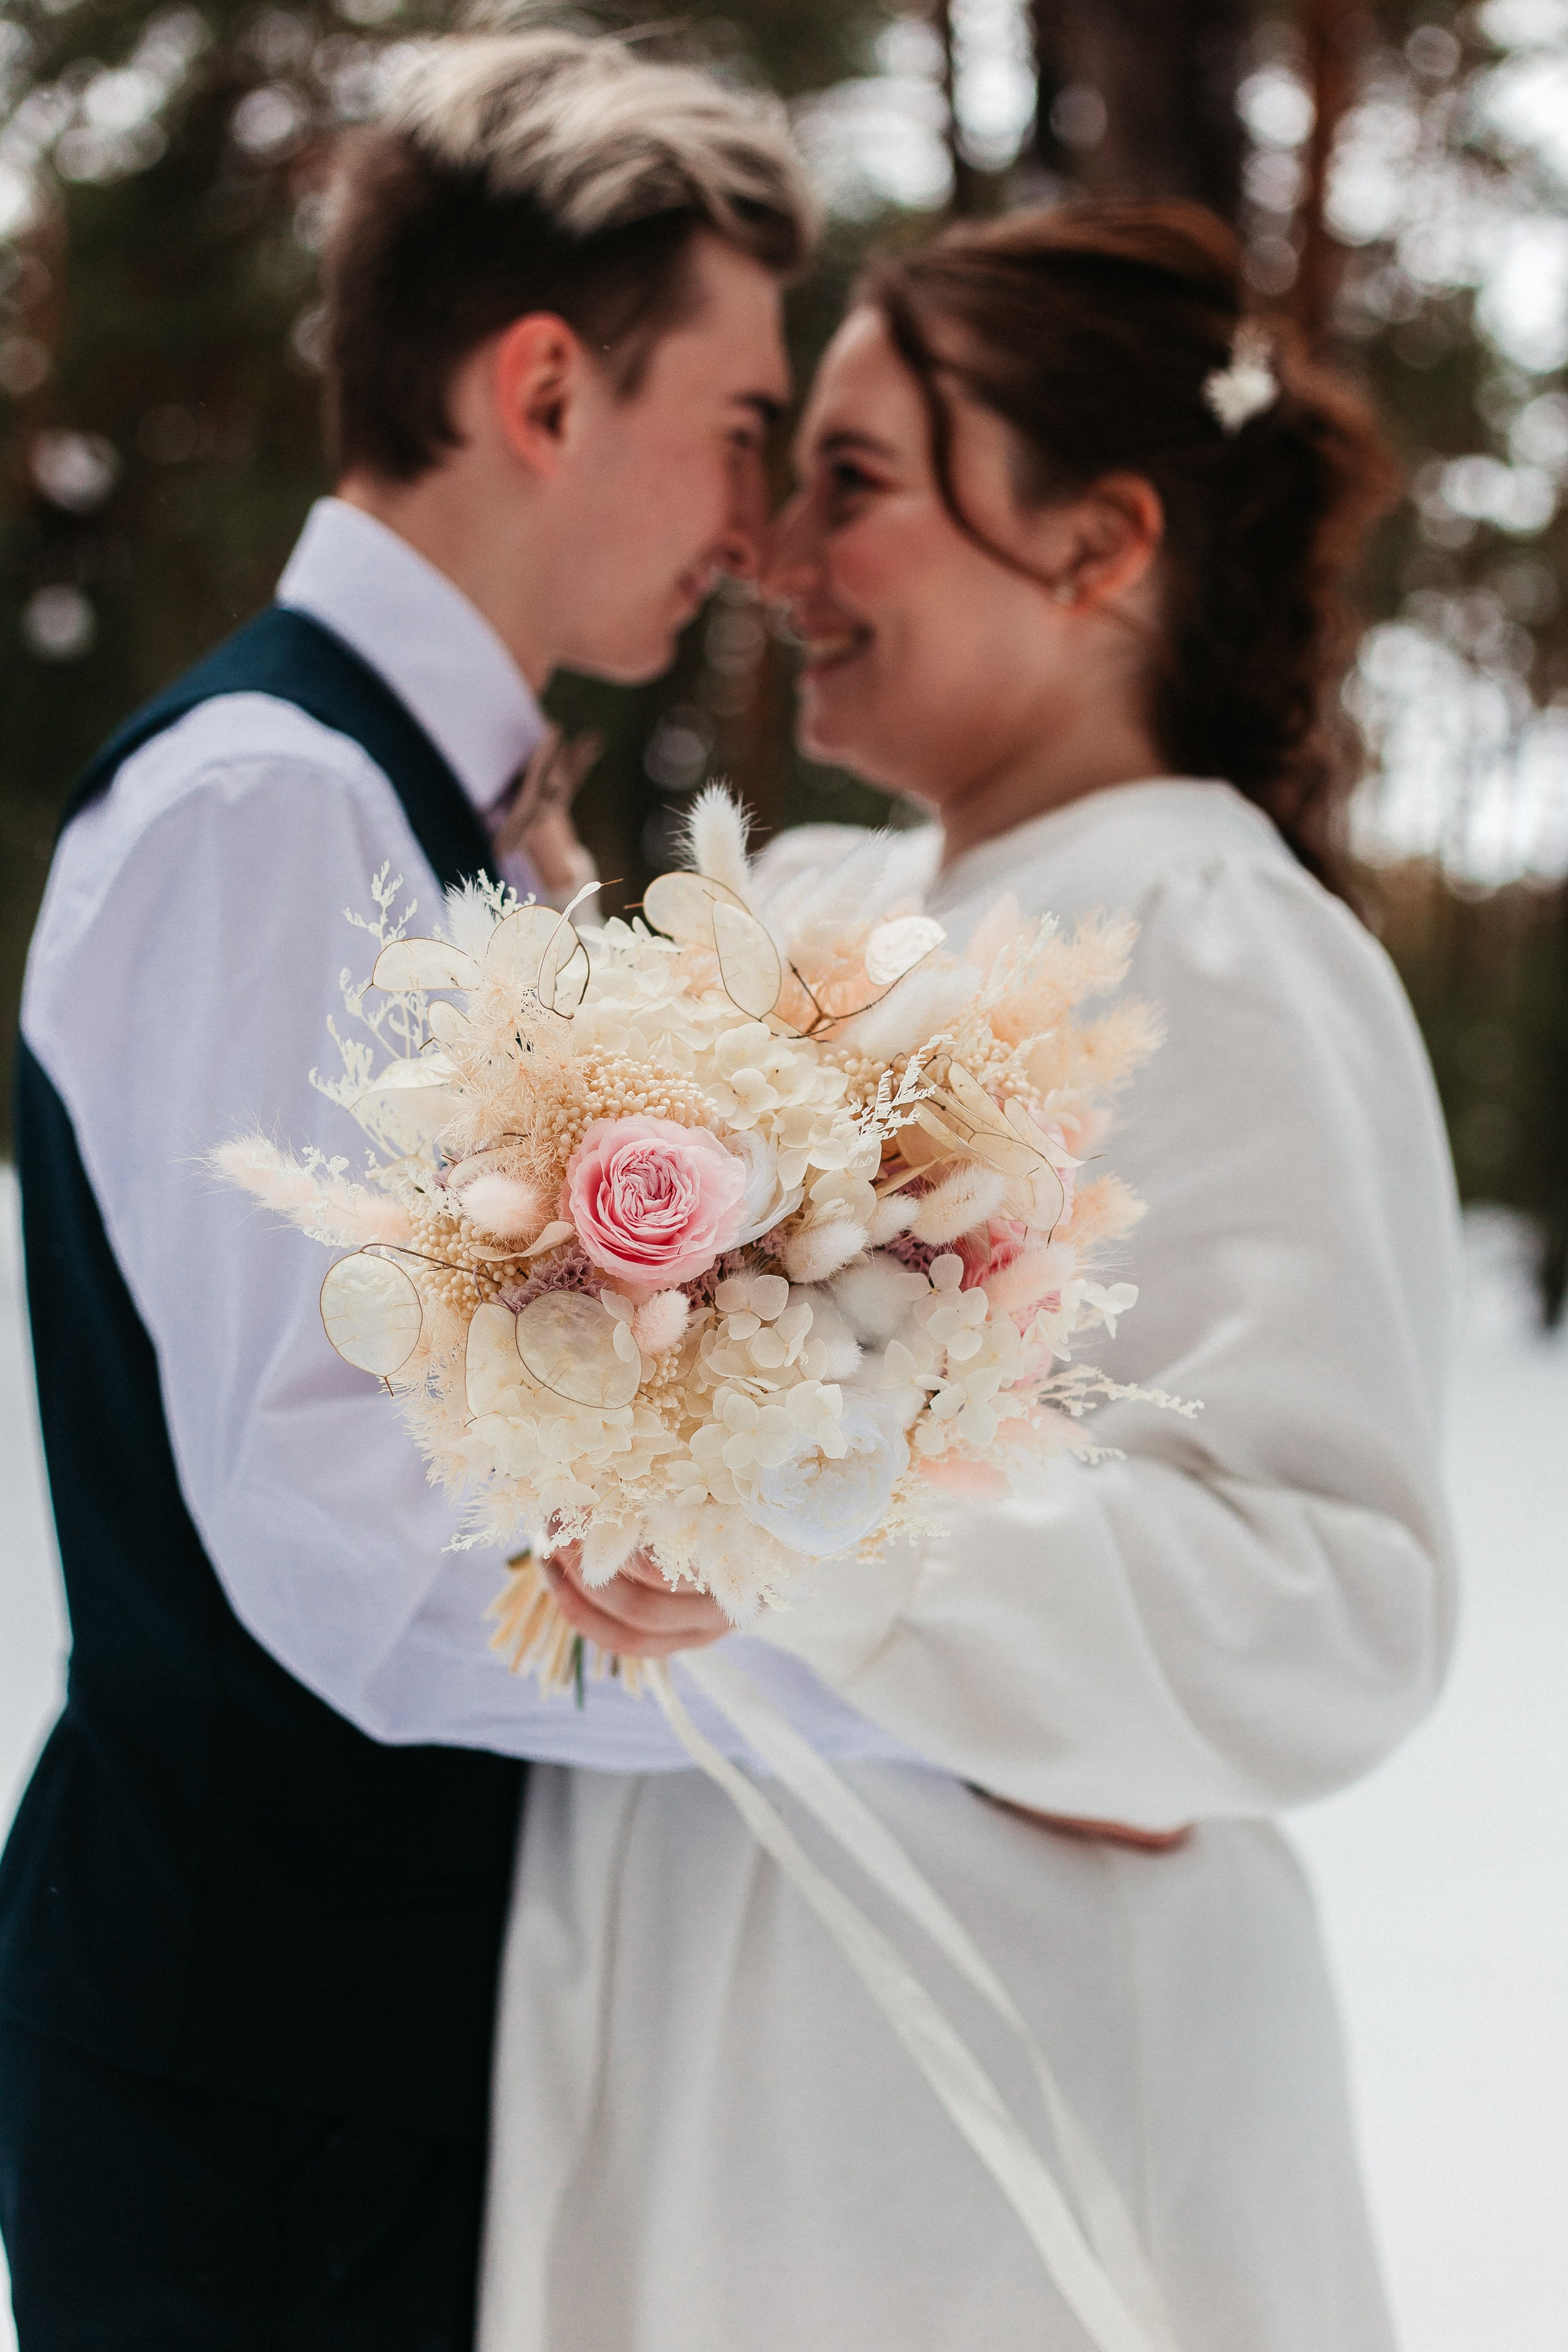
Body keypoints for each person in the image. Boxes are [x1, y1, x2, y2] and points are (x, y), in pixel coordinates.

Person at [480, 205, 1461, 2351]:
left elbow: (1331, 1603)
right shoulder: (829, 895)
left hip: (1001, 2091)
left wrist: (807, 1521)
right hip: (711, 2031)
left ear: (1098, 543)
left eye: (854, 482)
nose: (774, 554)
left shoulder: (1207, 935)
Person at [0, 29, 815, 2348]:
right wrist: (908, 1690)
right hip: (263, 2086)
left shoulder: (422, 811)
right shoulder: (271, 808)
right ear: (543, 387)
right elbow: (342, 1539)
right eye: (739, 426)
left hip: (385, 2052)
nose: (756, 520)